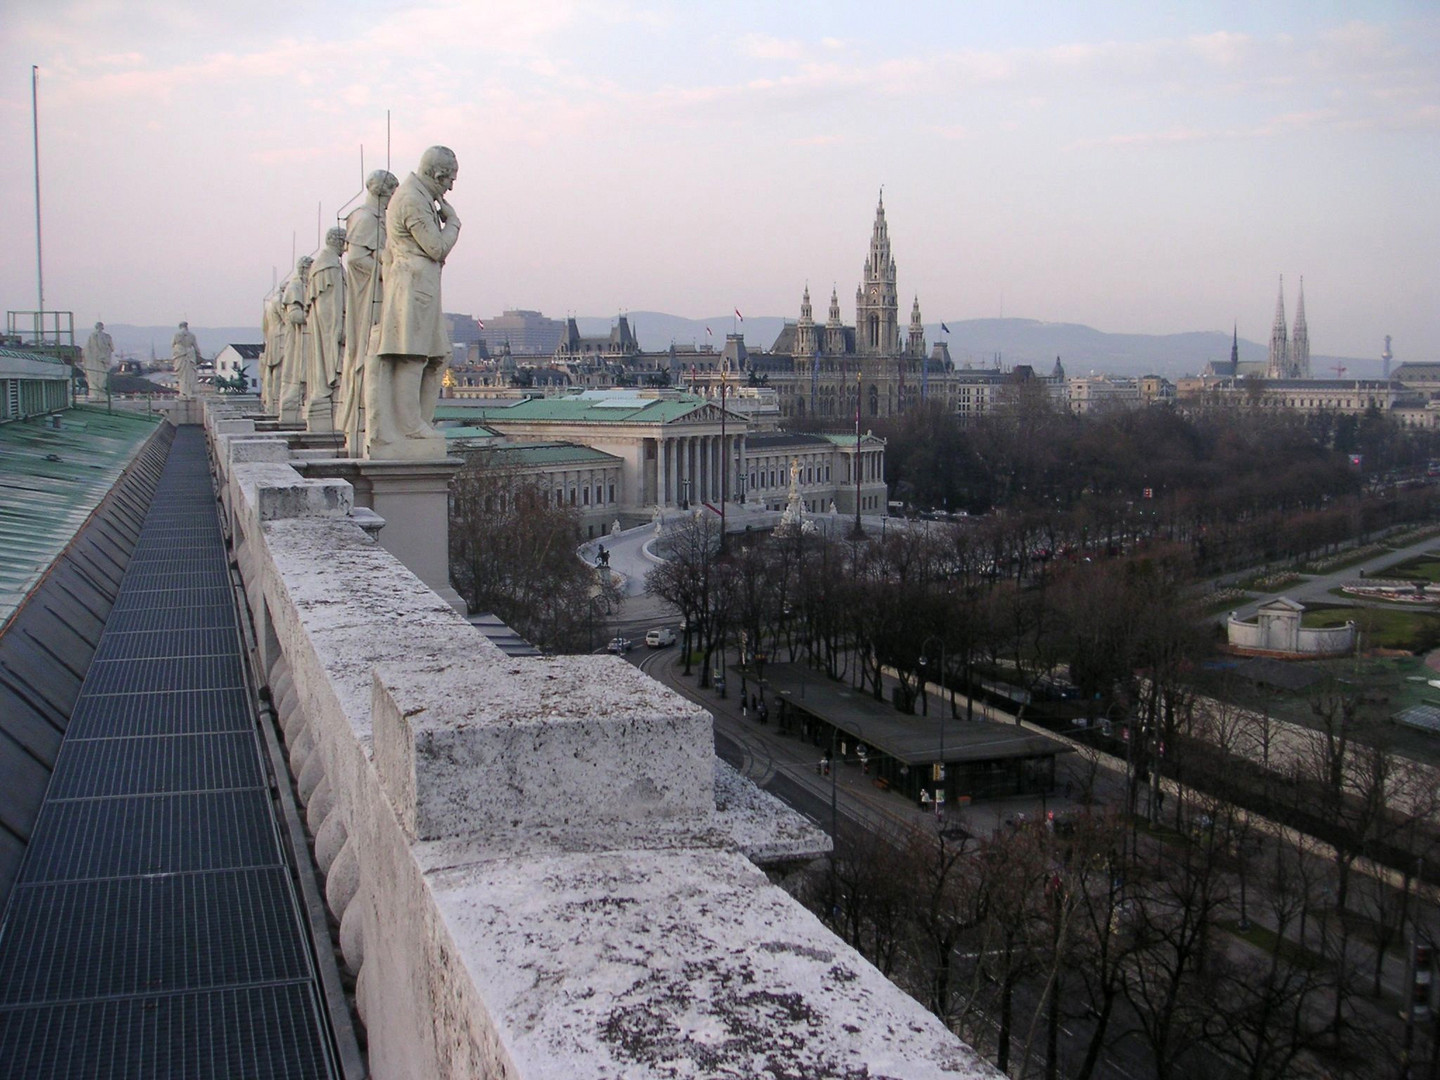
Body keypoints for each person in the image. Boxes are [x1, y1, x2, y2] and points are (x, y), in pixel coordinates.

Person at [367, 145, 461, 458]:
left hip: (420, 286)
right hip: (413, 288)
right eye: (450, 180)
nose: (450, 187)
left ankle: (419, 422)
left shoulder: (417, 196)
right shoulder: (411, 199)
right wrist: (454, 224)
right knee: (414, 356)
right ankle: (409, 426)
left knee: (436, 356)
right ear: (438, 175)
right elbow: (436, 248)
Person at [339, 169, 398, 455]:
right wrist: (385, 267)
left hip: (378, 296)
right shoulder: (364, 218)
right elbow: (357, 259)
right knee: (367, 356)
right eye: (390, 194)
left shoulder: (377, 219)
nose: (391, 201)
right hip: (370, 299)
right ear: (381, 192)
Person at [304, 226, 347, 431]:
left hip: (323, 323)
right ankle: (328, 394)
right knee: (330, 361)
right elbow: (334, 303)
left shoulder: (320, 265)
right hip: (330, 324)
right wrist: (340, 326)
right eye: (344, 242)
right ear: (337, 241)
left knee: (322, 361)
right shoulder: (330, 267)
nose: (346, 248)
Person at [82, 322, 113, 396]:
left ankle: (97, 393)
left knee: (97, 378)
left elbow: (86, 350)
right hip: (97, 361)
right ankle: (97, 393)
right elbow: (111, 348)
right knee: (98, 377)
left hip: (96, 361)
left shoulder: (96, 336)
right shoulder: (105, 336)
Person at [171, 321, 200, 398]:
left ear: (180, 326)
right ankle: (189, 391)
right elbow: (196, 348)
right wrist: (199, 356)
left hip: (180, 356)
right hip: (190, 356)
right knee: (190, 375)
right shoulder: (192, 335)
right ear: (187, 326)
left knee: (182, 375)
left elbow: (172, 344)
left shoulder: (177, 335)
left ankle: (183, 392)